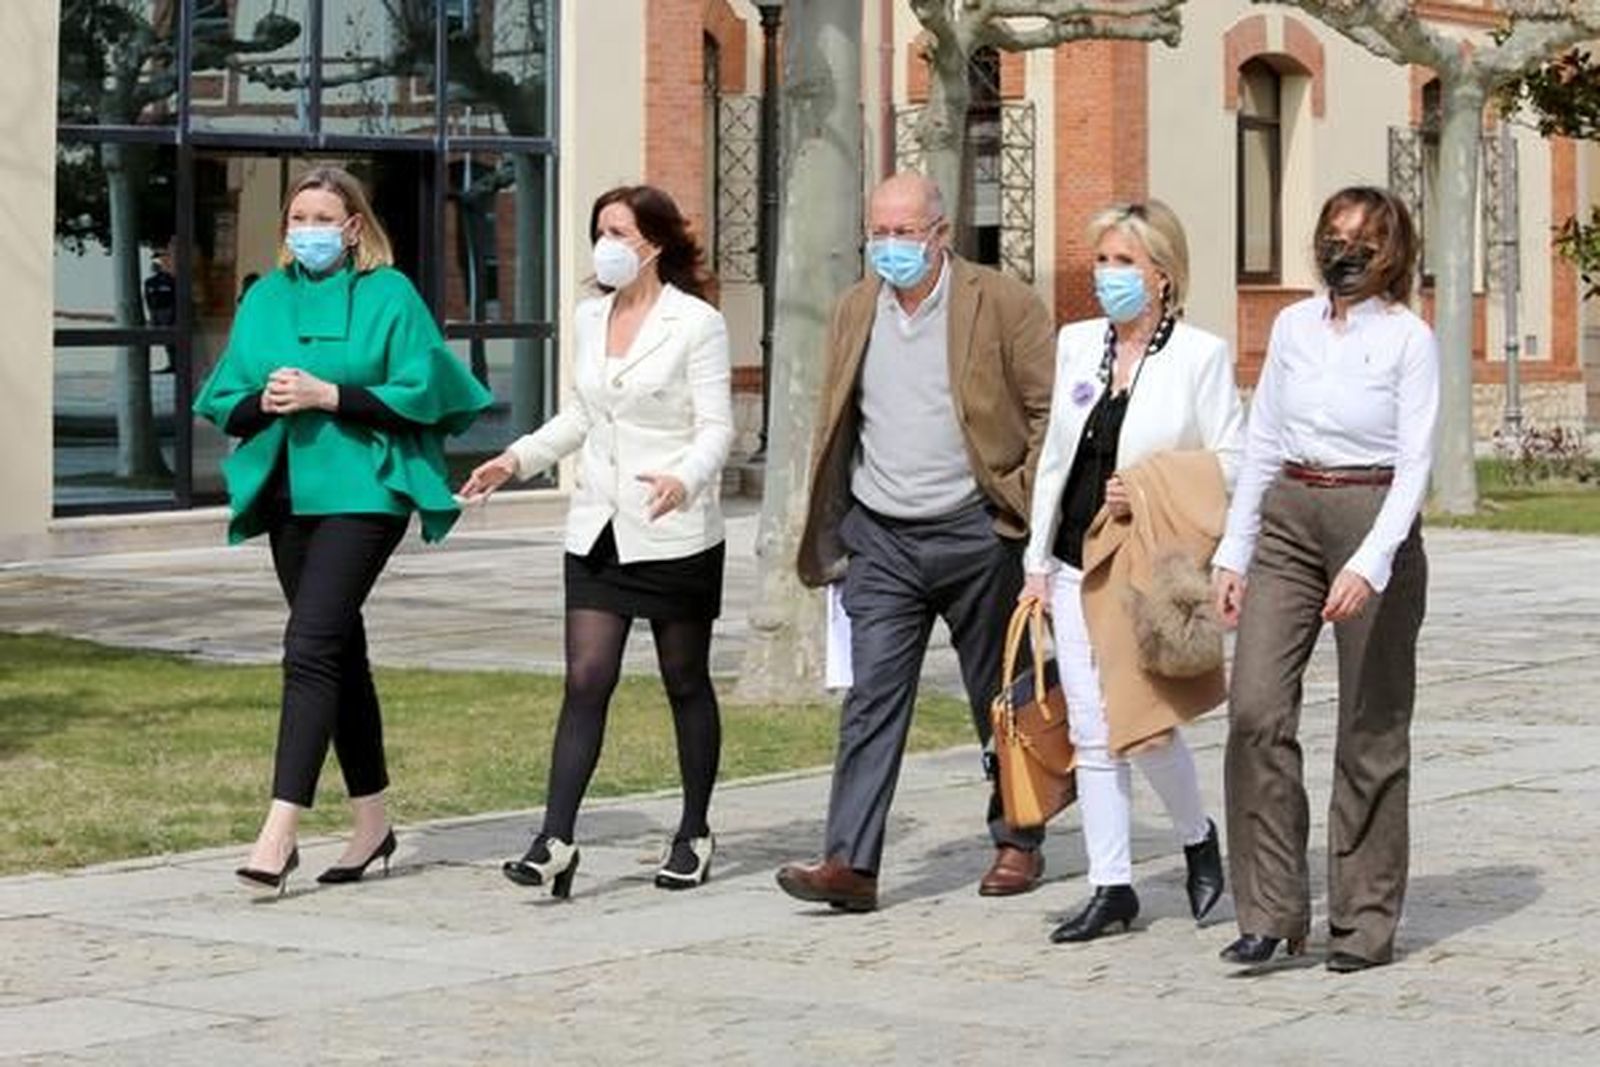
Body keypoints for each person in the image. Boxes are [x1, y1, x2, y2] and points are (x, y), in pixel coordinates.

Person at [194, 165, 493, 894]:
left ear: (353, 227)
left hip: (365, 491)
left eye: (323, 219)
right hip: (287, 495)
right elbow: (227, 396)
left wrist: (329, 394)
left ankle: (278, 831)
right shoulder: (266, 297)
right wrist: (268, 402)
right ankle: (372, 824)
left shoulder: (390, 294)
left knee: (308, 647)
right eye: (299, 219)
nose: (309, 231)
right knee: (337, 651)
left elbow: (426, 392)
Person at [775, 173, 1056, 912]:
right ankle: (850, 862)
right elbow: (842, 414)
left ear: (941, 234)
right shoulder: (855, 308)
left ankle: (1019, 838)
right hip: (882, 537)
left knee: (1000, 695)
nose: (890, 246)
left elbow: (1048, 410)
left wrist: (1020, 500)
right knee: (871, 697)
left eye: (904, 232)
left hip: (976, 531)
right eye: (879, 232)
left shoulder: (1003, 303)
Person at [460, 184, 733, 897]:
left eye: (619, 233)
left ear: (655, 243)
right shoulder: (589, 317)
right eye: (599, 232)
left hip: (672, 529)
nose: (605, 246)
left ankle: (694, 832)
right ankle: (555, 839)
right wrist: (513, 459)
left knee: (684, 679)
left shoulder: (696, 323)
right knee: (585, 678)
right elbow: (580, 415)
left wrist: (684, 479)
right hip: (598, 529)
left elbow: (717, 428)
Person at [1211, 186, 1438, 972]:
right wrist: (1233, 551)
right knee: (1254, 710)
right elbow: (1262, 439)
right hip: (1290, 513)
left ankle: (1363, 921)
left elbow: (1415, 464)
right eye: (1334, 237)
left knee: (1369, 728)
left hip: (1372, 512)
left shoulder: (1408, 338)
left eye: (1364, 241)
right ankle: (1269, 909)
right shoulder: (1292, 326)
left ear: (1392, 253)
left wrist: (1371, 562)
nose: (1345, 252)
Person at [1020, 200, 1242, 943]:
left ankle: (1198, 834)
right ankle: (1110, 884)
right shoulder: (1077, 342)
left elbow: (1234, 459)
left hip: (1137, 561)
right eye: (1102, 260)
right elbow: (1055, 458)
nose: (1106, 275)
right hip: (1069, 558)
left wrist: (1147, 484)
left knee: (1141, 725)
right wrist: (1034, 562)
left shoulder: (1199, 356)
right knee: (1091, 728)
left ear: (1163, 274)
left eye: (1124, 262)